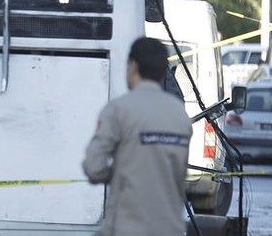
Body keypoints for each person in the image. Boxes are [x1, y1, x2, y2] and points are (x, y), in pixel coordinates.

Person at [82, 37, 192, 236]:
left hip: (127, 227)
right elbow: (179, 173)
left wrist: (118, 172)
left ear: (133, 65)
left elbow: (93, 166)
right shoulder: (180, 115)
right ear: (162, 72)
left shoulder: (119, 109)